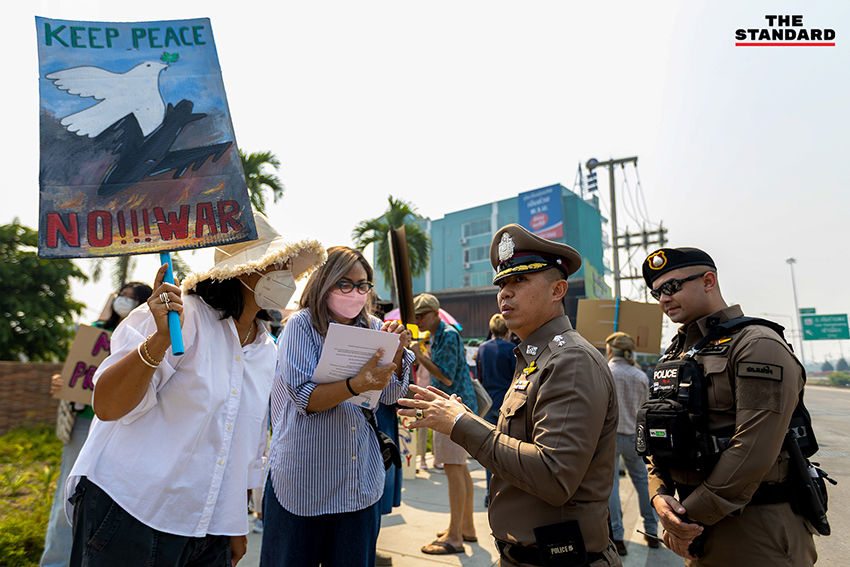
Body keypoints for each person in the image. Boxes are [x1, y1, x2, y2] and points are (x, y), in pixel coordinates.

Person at [65, 212, 324, 567]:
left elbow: (243, 443)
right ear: (240, 271)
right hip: (131, 510)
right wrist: (160, 339)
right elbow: (109, 405)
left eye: (286, 264)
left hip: (207, 526)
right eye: (273, 262)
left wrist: (234, 522)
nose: (285, 273)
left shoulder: (266, 349)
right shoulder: (179, 316)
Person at [401, 224, 622, 567]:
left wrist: (461, 424)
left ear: (558, 290)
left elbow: (553, 474)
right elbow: (519, 445)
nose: (505, 293)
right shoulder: (535, 356)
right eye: (502, 284)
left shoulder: (571, 360)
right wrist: (466, 419)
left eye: (520, 280)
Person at [641, 247, 816, 566]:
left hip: (756, 529)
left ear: (708, 281)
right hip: (696, 529)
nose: (664, 299)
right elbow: (659, 434)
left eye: (672, 287)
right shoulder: (675, 354)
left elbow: (754, 449)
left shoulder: (757, 344)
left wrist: (685, 518)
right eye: (656, 293)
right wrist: (659, 495)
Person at [261, 246, 413, 567]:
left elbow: (390, 396)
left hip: (358, 481)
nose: (355, 293)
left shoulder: (375, 327)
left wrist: (398, 355)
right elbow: (305, 399)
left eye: (362, 285)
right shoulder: (301, 326)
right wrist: (356, 384)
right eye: (345, 284)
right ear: (324, 283)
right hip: (303, 483)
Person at [41, 282, 152, 567]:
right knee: (67, 496)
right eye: (121, 295)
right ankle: (55, 562)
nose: (123, 301)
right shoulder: (96, 331)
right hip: (83, 423)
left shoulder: (147, 338)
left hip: (120, 428)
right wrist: (62, 382)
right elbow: (75, 372)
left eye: (131, 298)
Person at [412, 292, 478, 555]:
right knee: (459, 468)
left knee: (453, 468)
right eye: (416, 316)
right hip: (456, 408)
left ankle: (455, 536)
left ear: (435, 314)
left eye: (422, 316)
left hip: (452, 410)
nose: (419, 320)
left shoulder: (447, 335)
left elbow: (446, 377)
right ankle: (466, 527)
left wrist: (419, 355)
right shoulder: (442, 335)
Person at [604, 331, 658, 556]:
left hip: (610, 437)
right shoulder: (640, 376)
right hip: (635, 437)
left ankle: (617, 537)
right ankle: (652, 531)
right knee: (643, 482)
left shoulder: (605, 372)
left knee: (612, 485)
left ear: (610, 349)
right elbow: (645, 409)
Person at [476, 313, 516, 507]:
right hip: (507, 404)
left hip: (488, 402)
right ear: (507, 330)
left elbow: (480, 376)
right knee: (508, 451)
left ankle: (489, 493)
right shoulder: (512, 349)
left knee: (489, 451)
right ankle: (506, 493)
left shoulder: (482, 348)